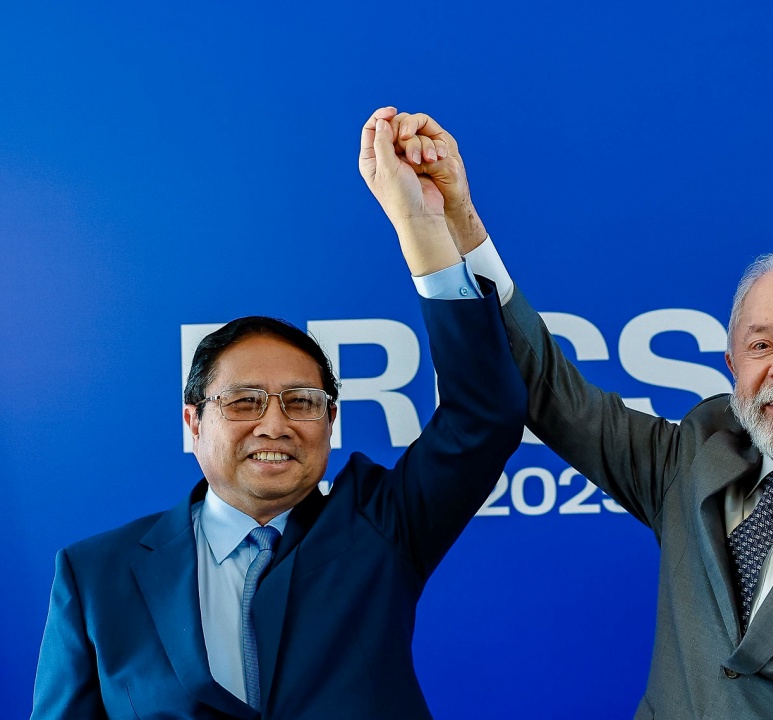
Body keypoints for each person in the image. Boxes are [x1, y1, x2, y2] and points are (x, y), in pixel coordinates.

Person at [386, 111, 773, 719]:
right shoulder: (694, 456)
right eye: (762, 345)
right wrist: (457, 218)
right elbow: (549, 389)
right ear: (733, 366)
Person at [31, 106, 526, 720]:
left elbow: (485, 415)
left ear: (330, 421)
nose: (275, 424)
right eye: (244, 401)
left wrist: (420, 224)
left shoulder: (380, 527)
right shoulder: (95, 574)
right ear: (193, 423)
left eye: (301, 402)